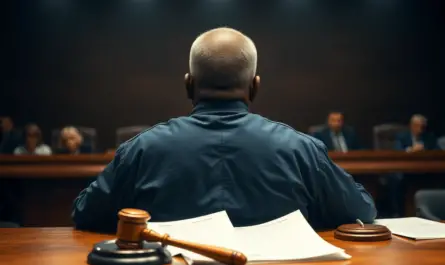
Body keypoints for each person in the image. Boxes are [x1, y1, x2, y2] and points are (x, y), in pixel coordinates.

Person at [72, 27, 376, 233]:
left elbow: (86, 214)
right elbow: (361, 211)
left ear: (188, 84)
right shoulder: (302, 150)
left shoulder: (141, 150)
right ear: (254, 87)